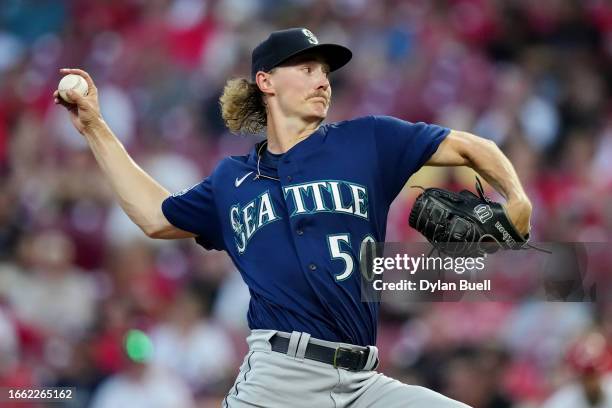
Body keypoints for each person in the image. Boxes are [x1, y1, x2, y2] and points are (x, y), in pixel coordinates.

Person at [54, 27, 532, 408]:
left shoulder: (367, 141)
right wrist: (95, 126)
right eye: (307, 69)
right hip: (278, 381)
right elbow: (155, 216)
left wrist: (516, 198)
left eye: (325, 72)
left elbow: (473, 147)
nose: (323, 80)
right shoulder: (232, 180)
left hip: (365, 384)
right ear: (266, 82)